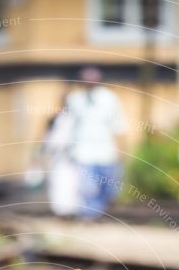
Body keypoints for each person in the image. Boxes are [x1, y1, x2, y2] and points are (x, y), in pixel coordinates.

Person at [67, 66, 128, 218]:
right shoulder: (74, 99)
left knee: (107, 188)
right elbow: (69, 125)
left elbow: (118, 125)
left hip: (106, 151)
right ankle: (90, 215)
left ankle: (101, 210)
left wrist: (123, 149)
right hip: (83, 151)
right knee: (87, 187)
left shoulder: (109, 98)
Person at [44, 101, 79, 217]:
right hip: (59, 161)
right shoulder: (59, 120)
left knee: (72, 185)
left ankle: (70, 210)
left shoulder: (75, 120)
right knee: (59, 185)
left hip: (72, 161)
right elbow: (51, 142)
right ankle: (61, 210)